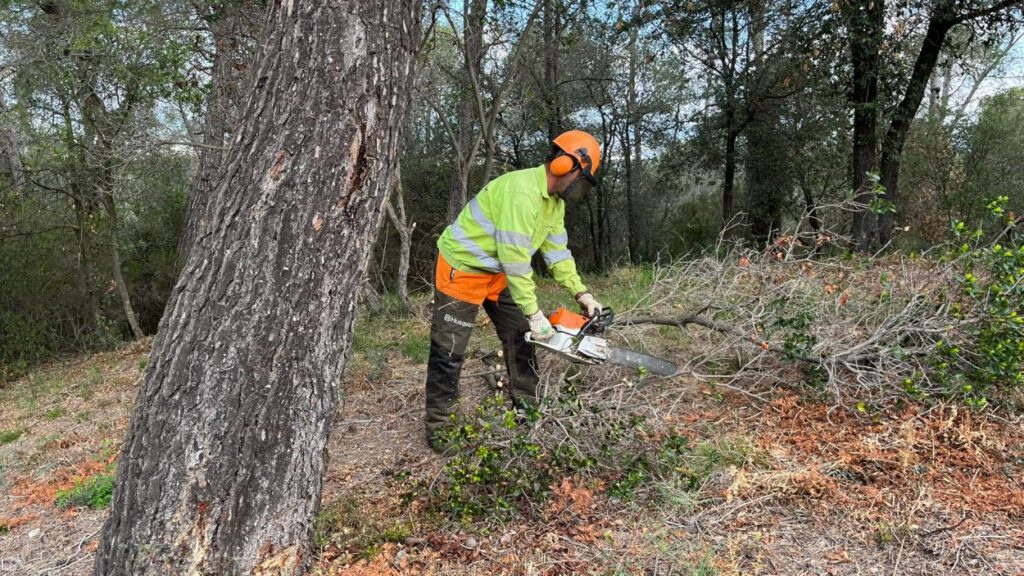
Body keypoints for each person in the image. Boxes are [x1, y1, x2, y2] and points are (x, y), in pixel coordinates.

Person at [424, 130, 604, 452]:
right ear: (565, 165)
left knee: (521, 337)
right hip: (463, 270)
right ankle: (441, 431)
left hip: (497, 274)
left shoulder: (553, 204)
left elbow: (558, 253)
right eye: (582, 177)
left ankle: (528, 409)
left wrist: (582, 294)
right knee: (449, 352)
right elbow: (516, 261)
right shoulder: (522, 193)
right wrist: (534, 312)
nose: (581, 187)